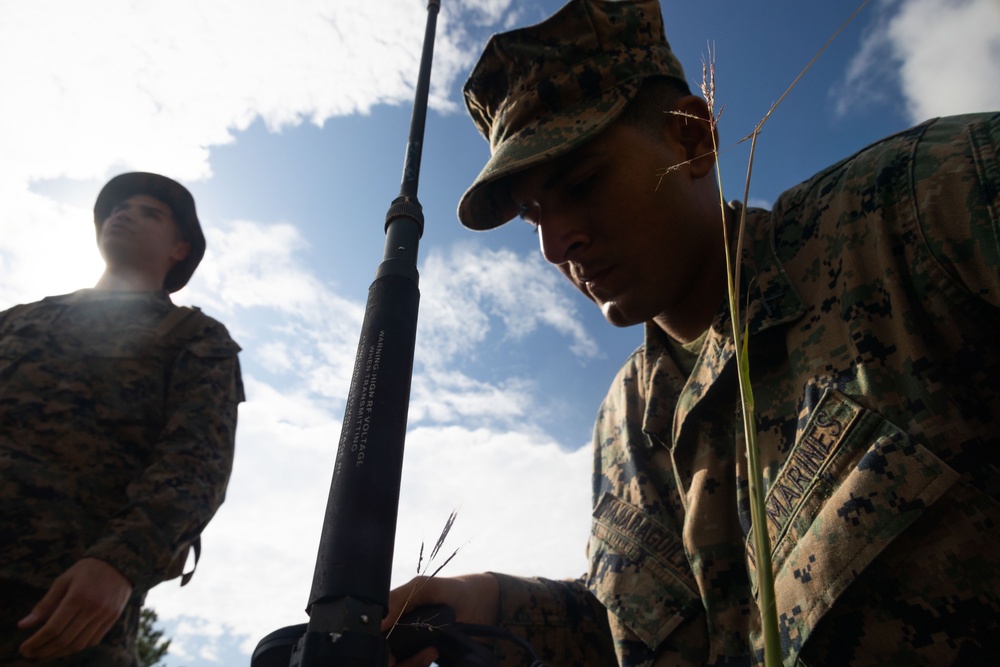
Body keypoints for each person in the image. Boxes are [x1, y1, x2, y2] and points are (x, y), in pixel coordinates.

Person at [384, 0, 1000, 665]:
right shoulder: (622, 418)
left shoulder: (917, 209)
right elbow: (672, 618)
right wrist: (494, 607)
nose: (556, 244)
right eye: (534, 217)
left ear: (691, 139)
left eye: (583, 182)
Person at [0, 172, 245, 666]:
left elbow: (196, 463)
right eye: (119, 206)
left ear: (179, 249)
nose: (123, 212)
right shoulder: (18, 320)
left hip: (61, 607)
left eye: (149, 212)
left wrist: (119, 563)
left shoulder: (193, 336)